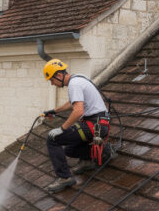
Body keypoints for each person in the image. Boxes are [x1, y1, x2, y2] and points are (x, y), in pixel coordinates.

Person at [41, 58, 109, 193]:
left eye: (52, 80)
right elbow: (72, 103)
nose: (52, 84)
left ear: (59, 75)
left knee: (52, 139)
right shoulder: (78, 79)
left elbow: (78, 111)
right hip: (99, 124)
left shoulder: (74, 85)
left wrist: (62, 129)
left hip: (94, 126)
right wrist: (54, 111)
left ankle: (64, 177)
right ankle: (89, 160)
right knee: (69, 150)